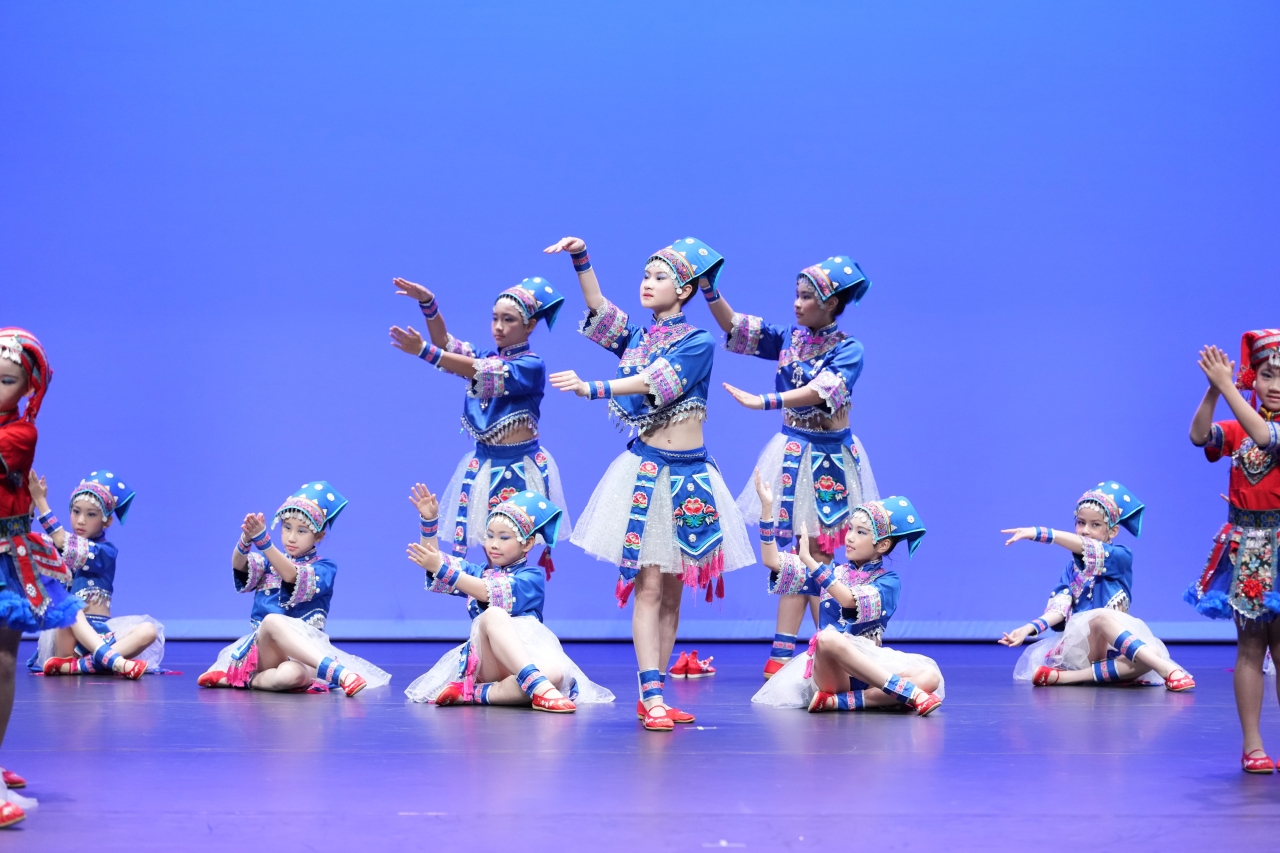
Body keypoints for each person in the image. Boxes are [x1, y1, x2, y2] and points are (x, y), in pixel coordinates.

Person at [544, 235, 754, 731]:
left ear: (684, 290)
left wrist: (593, 387)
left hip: (691, 476)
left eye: (660, 277)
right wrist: (581, 259)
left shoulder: (696, 343)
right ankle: (653, 695)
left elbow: (655, 381)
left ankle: (653, 694)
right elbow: (598, 308)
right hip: (647, 472)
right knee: (650, 587)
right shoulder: (639, 338)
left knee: (675, 592)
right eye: (645, 275)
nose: (647, 283)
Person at [706, 255, 878, 678]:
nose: (797, 304)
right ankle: (790, 653)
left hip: (830, 459)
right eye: (796, 295)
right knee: (797, 554)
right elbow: (736, 328)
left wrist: (765, 400)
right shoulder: (789, 338)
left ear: (832, 303)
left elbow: (821, 391)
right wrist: (709, 288)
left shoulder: (848, 350)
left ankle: (824, 650)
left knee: (818, 552)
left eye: (806, 297)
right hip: (795, 452)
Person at [389, 275, 570, 567]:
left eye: (508, 320)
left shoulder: (530, 365)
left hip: (519, 468)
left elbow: (475, 369)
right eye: (495, 318)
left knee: (513, 547)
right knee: (491, 547)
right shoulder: (488, 358)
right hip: (486, 464)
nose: (498, 326)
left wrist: (424, 351)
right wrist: (429, 304)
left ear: (530, 325)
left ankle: (511, 594)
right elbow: (446, 347)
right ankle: (487, 593)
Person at [404, 486, 613, 710]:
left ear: (528, 543)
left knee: (555, 673)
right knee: (493, 615)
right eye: (490, 536)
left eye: (504, 537)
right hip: (489, 661)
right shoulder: (478, 573)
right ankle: (539, 688)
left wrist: (444, 570)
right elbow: (434, 563)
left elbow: (487, 591)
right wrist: (429, 524)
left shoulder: (531, 577)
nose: (494, 544)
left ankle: (476, 693)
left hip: (525, 658)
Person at [751, 474, 942, 715]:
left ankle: (844, 701)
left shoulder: (888, 582)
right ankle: (911, 694)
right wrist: (767, 510)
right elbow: (772, 561)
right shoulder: (833, 573)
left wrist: (812, 563)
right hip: (833, 674)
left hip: (869, 669)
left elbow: (849, 600)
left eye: (861, 532)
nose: (849, 537)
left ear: (882, 545)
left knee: (931, 676)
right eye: (850, 529)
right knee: (827, 639)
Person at [1184, 334, 1280, 772]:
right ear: (1252, 379)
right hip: (1248, 550)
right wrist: (1213, 389)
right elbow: (1199, 436)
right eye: (1267, 375)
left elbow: (1263, 435)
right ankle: (1253, 745)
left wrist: (1227, 386)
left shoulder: (1258, 428)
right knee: (1251, 647)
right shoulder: (1237, 428)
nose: (1275, 385)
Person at [998, 481, 1193, 694]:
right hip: (1082, 648)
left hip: (1113, 646)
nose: (1085, 531)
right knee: (1101, 619)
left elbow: (1087, 548)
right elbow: (1059, 609)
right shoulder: (1072, 569)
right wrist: (1027, 629)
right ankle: (1167, 670)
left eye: (1095, 525)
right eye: (1081, 523)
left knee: (1151, 651)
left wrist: (1040, 533)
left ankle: (1065, 678)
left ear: (1113, 530)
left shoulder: (1121, 556)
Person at [197, 482, 390, 695]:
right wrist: (246, 539)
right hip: (267, 650)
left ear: (319, 536)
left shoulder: (324, 568)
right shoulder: (267, 562)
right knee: (271, 621)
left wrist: (264, 542)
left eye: (302, 531)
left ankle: (240, 680)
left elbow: (292, 575)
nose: (291, 537)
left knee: (291, 676)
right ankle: (340, 674)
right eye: (287, 527)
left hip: (306, 654)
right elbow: (239, 564)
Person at [0, 328, 80, 827]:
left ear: (28, 388)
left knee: (3, 661)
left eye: (5, 380)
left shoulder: (19, 435)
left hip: (6, 555)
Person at [28, 470, 164, 676]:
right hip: (69, 635)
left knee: (149, 630)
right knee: (71, 608)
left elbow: (62, 540)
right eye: (76, 511)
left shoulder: (106, 552)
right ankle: (112, 661)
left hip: (102, 633)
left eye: (91, 514)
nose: (81, 520)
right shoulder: (57, 549)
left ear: (106, 521)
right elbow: (26, 544)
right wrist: (31, 507)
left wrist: (41, 501)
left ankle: (80, 666)